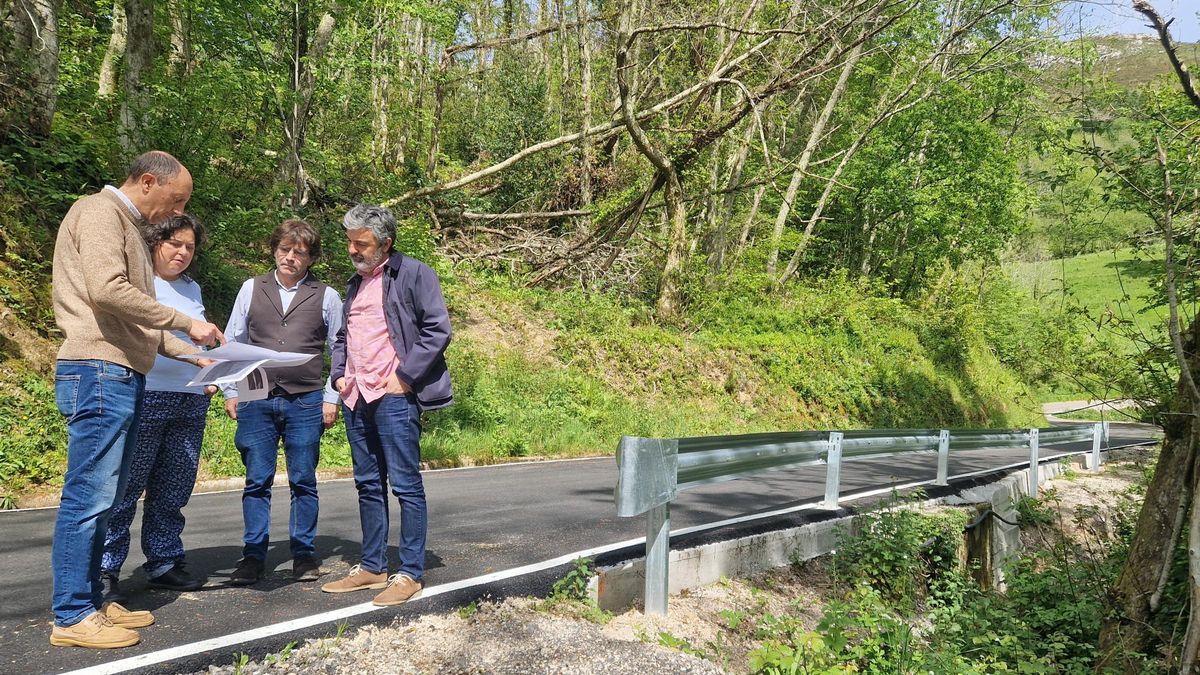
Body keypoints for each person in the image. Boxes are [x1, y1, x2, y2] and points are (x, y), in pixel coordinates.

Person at [50, 151, 224, 649]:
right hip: (98, 369)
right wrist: (185, 321)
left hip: (121, 370)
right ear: (148, 181)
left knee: (105, 500)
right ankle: (70, 614)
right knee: (89, 498)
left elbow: (138, 321)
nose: (176, 213)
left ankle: (92, 603)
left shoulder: (126, 226)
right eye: (176, 201)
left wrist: (192, 355)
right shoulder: (100, 213)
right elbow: (107, 292)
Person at [320, 204, 452, 607]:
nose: (353, 250)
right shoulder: (354, 282)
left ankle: (410, 572)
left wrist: (405, 377)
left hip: (394, 396)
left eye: (362, 243)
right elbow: (343, 335)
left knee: (406, 485)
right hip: (356, 395)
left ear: (386, 243)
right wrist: (339, 374)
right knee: (367, 484)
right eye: (350, 242)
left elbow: (437, 328)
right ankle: (373, 567)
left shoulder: (414, 273)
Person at [99, 213, 216, 602]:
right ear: (154, 243)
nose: (182, 253)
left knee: (173, 487)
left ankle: (164, 562)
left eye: (189, 247)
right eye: (174, 244)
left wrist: (211, 373)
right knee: (126, 486)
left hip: (190, 398)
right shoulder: (136, 282)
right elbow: (142, 332)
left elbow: (199, 343)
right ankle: (105, 569)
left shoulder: (192, 289)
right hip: (145, 392)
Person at [221, 219, 343, 586]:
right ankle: (253, 556)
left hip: (306, 399)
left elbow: (340, 349)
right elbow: (232, 340)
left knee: (303, 479)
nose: (290, 257)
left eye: (299, 252)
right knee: (256, 480)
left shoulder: (327, 296)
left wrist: (332, 396)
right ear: (274, 250)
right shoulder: (250, 288)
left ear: (310, 258)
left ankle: (304, 555)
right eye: (285, 250)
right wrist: (230, 391)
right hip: (255, 397)